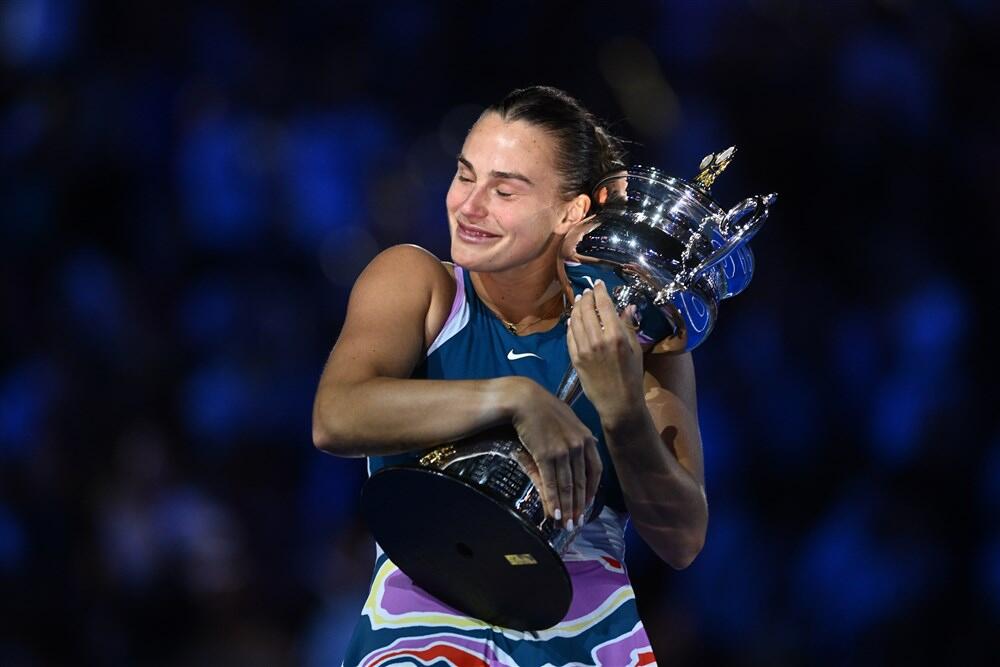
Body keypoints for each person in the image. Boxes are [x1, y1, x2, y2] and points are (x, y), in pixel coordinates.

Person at [312, 86, 708, 666]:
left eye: (504, 191)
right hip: (420, 638)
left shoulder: (635, 331)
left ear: (572, 211)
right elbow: (335, 416)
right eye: (464, 176)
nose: (469, 206)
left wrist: (623, 409)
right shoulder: (418, 284)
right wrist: (515, 399)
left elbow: (682, 540)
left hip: (586, 643)